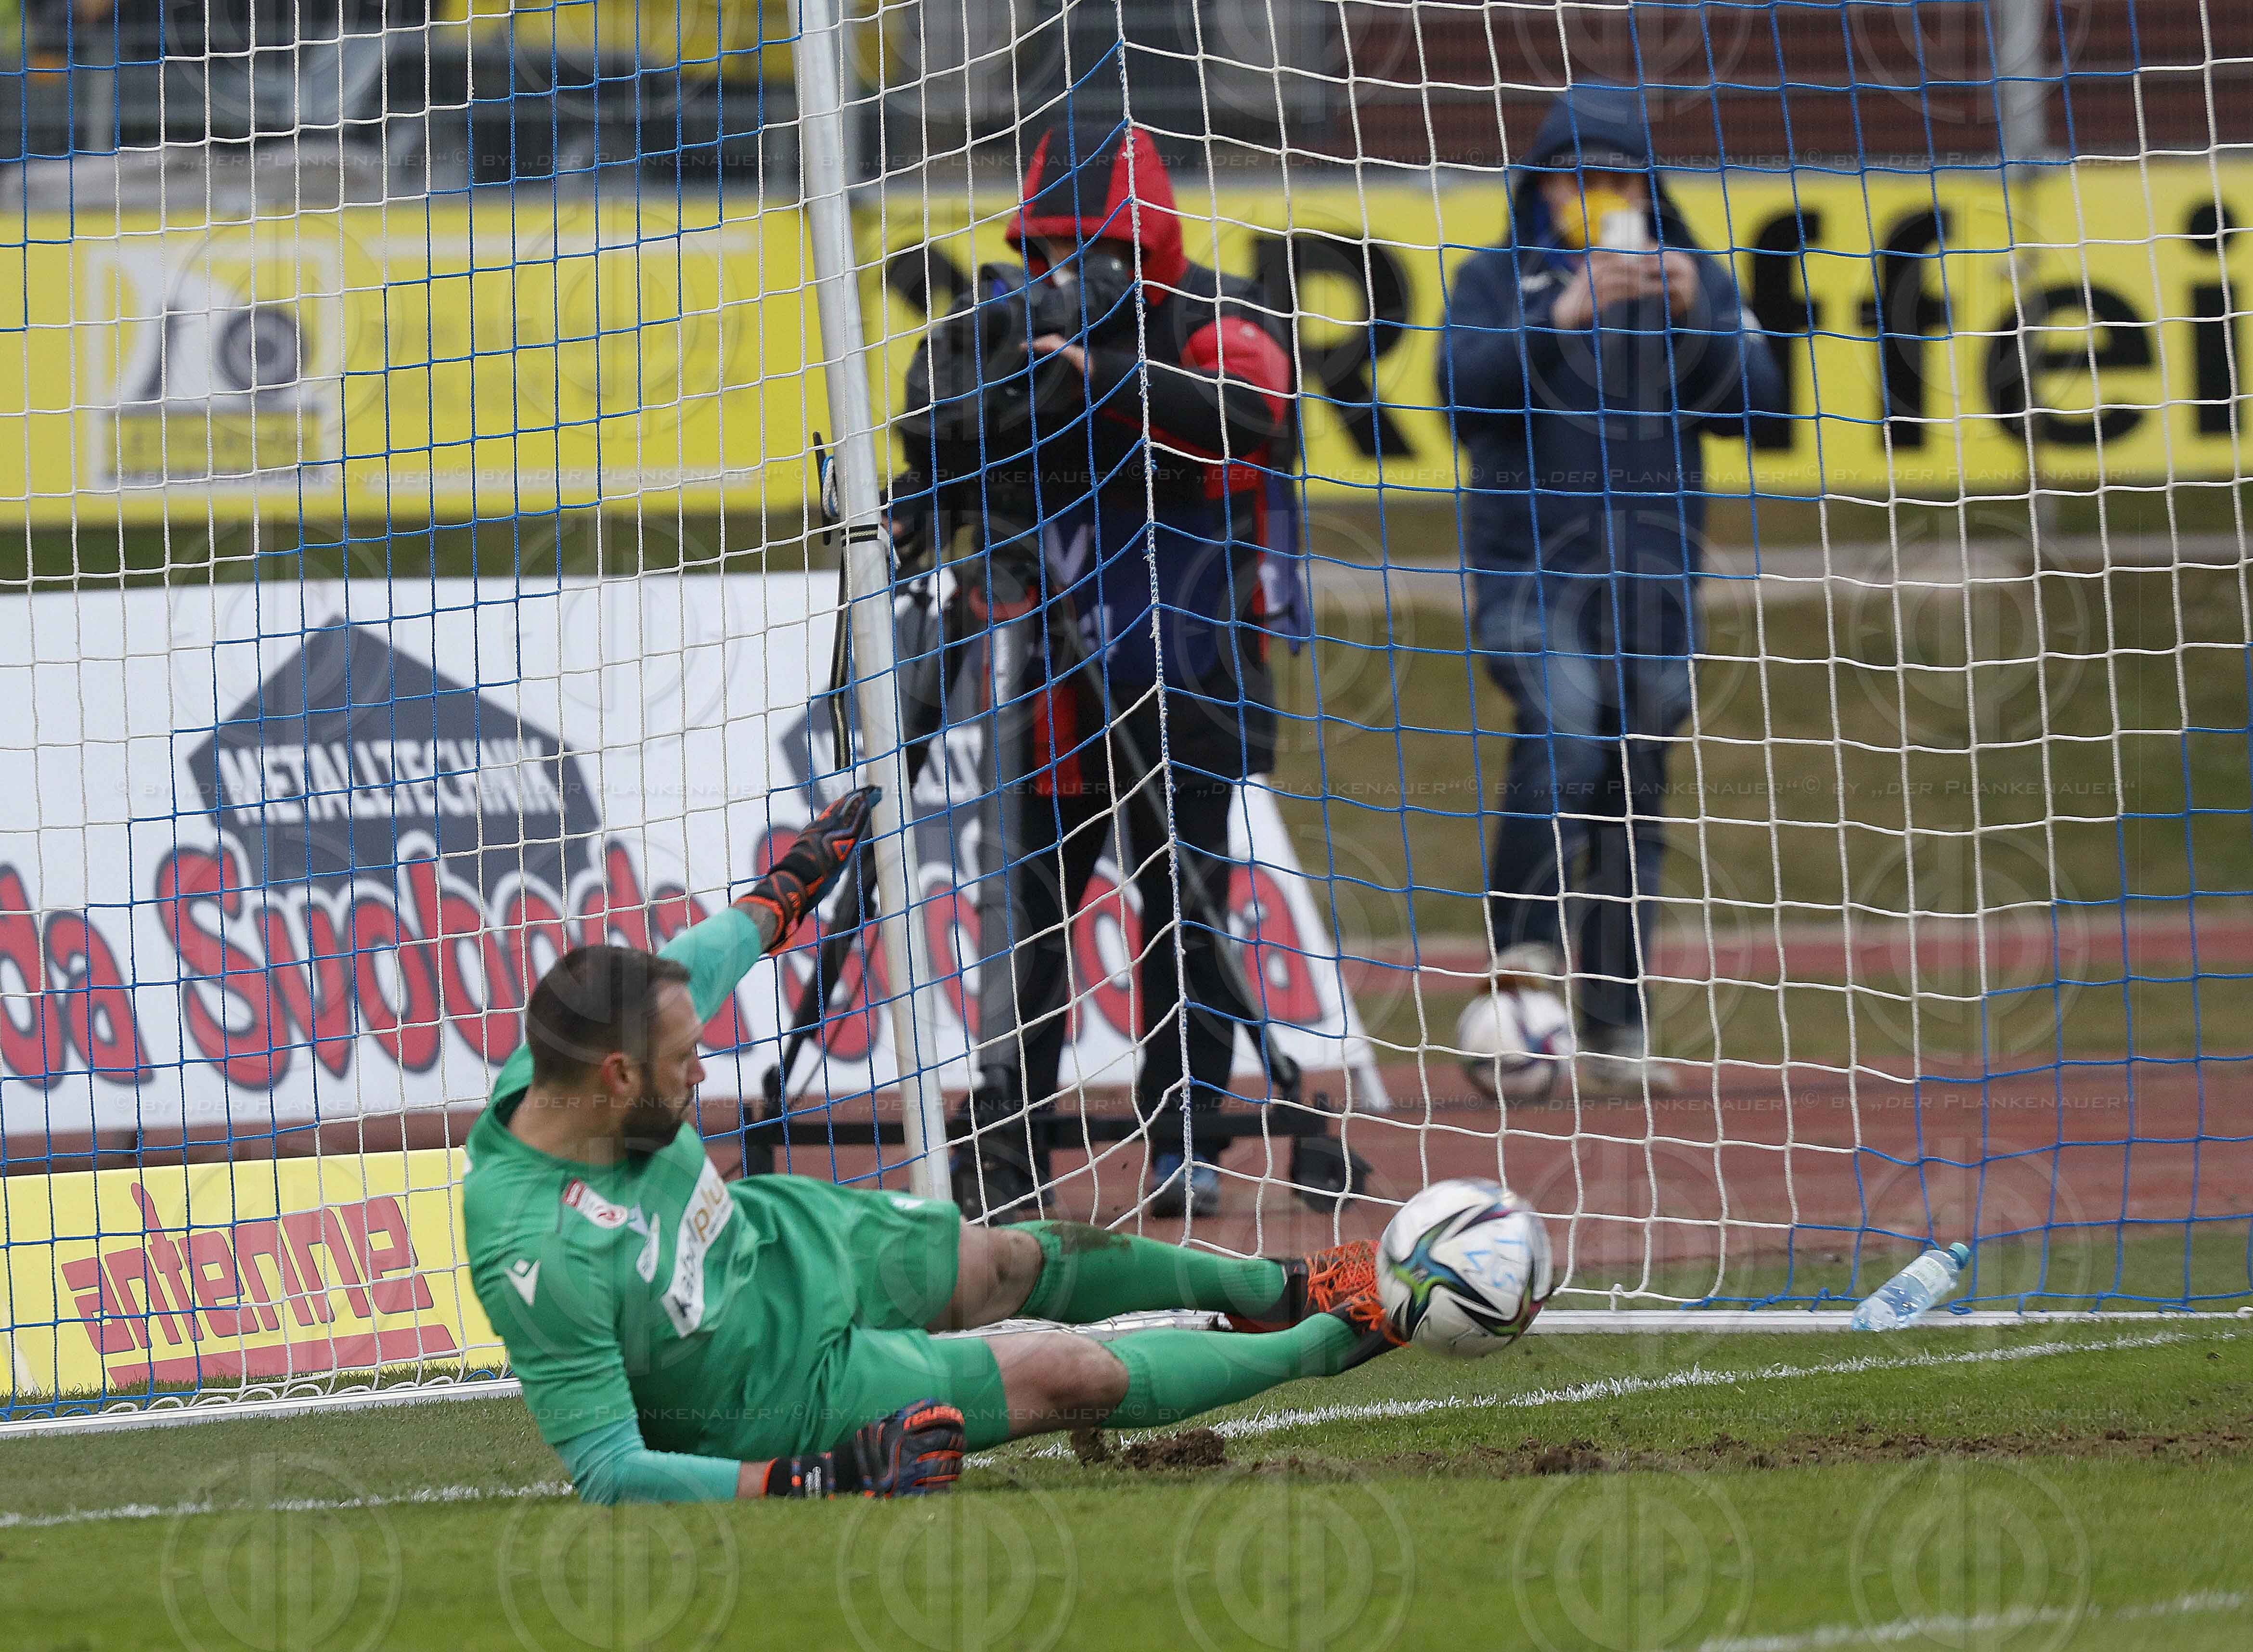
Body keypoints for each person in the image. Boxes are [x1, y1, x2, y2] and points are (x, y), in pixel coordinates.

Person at [463, 786, 1400, 1504]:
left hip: (788, 1243)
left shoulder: (584, 1047)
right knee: (1063, 1372)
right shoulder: (533, 1252)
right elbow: (610, 1471)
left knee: (1005, 1259)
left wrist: (785, 891)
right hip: (767, 1393)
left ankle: (1276, 1291)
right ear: (616, 1079)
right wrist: (811, 1477)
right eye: (685, 1062)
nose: (702, 1073)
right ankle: (1324, 1345)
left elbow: (705, 960)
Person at [895, 118, 1298, 1219]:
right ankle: (1009, 1154)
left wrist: (1102, 373)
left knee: (1185, 915)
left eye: (1095, 252)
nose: (1069, 275)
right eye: (1049, 250)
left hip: (1191, 679)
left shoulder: (1218, 321)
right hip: (1051, 686)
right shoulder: (1011, 334)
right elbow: (931, 435)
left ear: (1149, 247)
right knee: (1027, 926)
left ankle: (1188, 1140)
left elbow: (1251, 415)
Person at [1436, 82, 1785, 1098]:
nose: (1592, 196)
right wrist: (1565, 311)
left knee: (1632, 785)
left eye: (1614, 178)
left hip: (1657, 586)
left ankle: (1615, 1019)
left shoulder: (1693, 279)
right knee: (1569, 725)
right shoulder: (1500, 278)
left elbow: (1762, 409)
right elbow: (1458, 395)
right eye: (1572, 179)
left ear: (1646, 186)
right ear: (1539, 188)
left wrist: (1697, 319)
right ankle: (1524, 965)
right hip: (1529, 572)